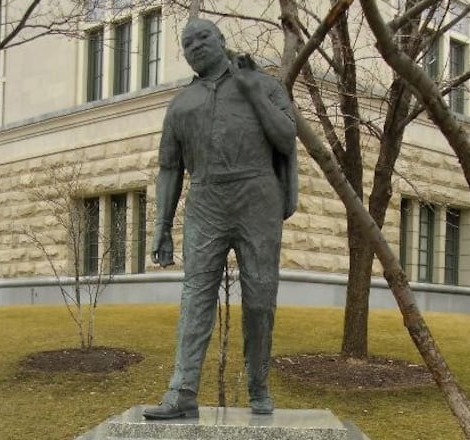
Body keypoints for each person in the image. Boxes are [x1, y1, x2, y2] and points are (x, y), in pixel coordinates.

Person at [143, 17, 297, 420]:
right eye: (187, 43)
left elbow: (286, 137)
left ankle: (259, 387)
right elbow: (169, 169)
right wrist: (161, 227)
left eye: (203, 37)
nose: (196, 46)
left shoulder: (262, 84)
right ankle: (182, 391)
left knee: (260, 298)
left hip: (257, 197)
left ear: (222, 40)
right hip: (206, 200)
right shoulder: (180, 104)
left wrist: (252, 91)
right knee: (195, 297)